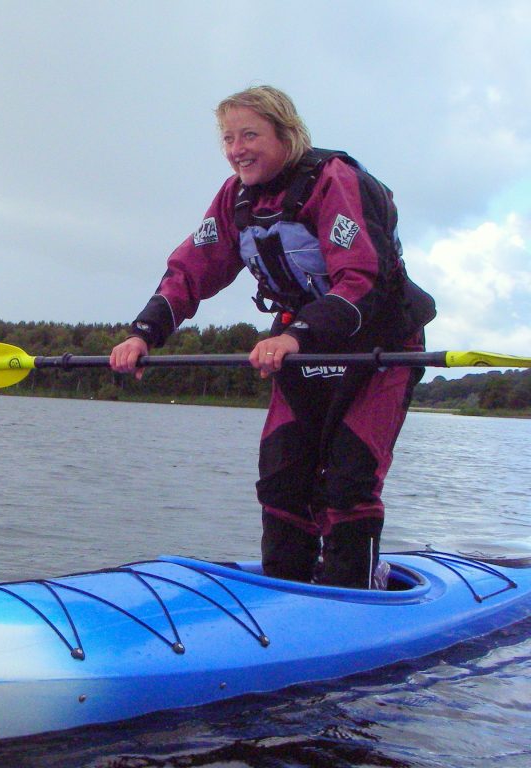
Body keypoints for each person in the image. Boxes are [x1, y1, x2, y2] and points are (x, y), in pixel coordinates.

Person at [110, 85, 435, 589]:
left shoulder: (334, 180)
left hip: (380, 347)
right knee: (282, 478)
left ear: (286, 134)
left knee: (349, 480)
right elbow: (191, 270)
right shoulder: (234, 198)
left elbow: (361, 279)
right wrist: (143, 334)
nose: (236, 149)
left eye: (249, 135)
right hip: (301, 348)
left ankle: (356, 591)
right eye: (228, 138)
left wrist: (296, 337)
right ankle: (287, 590)